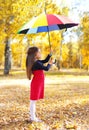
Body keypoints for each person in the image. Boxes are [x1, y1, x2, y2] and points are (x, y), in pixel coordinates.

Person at [26, 46, 53, 122]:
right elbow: (46, 68)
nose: (40, 53)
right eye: (39, 52)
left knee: (33, 100)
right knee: (33, 100)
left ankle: (32, 116)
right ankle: (33, 117)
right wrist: (50, 64)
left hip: (38, 83)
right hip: (37, 83)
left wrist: (50, 54)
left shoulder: (36, 62)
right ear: (35, 54)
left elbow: (44, 61)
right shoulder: (36, 63)